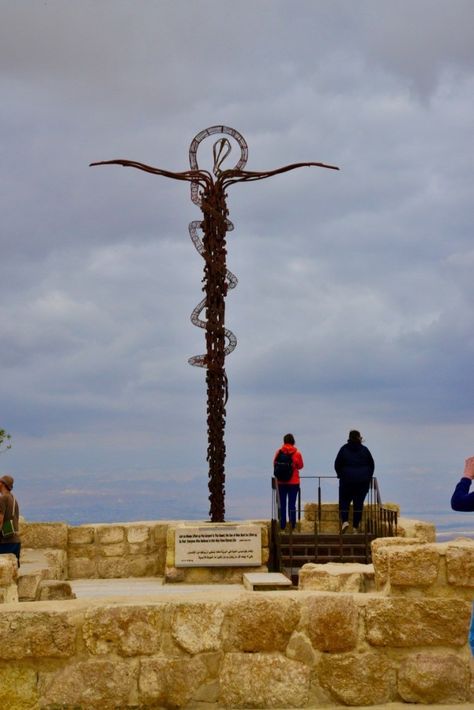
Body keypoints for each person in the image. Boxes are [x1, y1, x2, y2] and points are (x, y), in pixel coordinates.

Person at [334, 430, 375, 533]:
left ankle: (345, 521)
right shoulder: (365, 450)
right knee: (358, 504)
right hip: (362, 482)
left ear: (349, 437)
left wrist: (340, 475)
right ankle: (356, 527)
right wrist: (367, 476)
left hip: (347, 480)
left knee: (344, 501)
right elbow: (372, 464)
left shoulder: (343, 449)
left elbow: (337, 464)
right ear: (359, 437)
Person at [273, 433, 304, 530]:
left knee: (282, 503)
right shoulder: (297, 453)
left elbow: (274, 463)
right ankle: (292, 525)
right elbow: (301, 466)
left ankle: (282, 525)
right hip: (293, 482)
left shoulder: (279, 452)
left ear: (284, 441)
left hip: (281, 482)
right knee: (292, 504)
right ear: (293, 441)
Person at [0, 475, 21, 566]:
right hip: (15, 541)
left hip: (5, 542)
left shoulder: (3, 498)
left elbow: (0, 519)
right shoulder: (13, 498)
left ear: (2, 484)